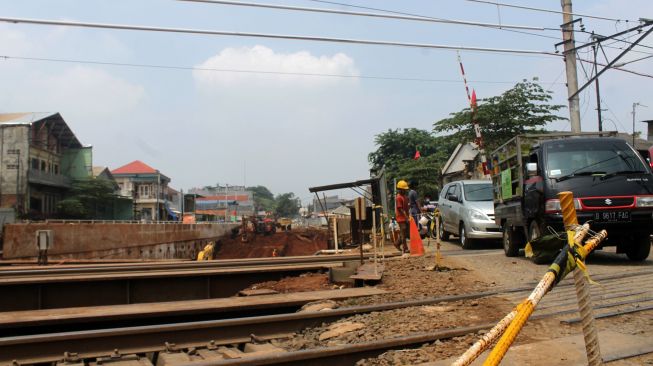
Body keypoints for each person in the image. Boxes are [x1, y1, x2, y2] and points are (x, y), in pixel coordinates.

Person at [394, 180, 410, 253]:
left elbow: (407, 207)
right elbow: (400, 209)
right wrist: (406, 217)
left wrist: (408, 216)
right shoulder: (398, 198)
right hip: (401, 218)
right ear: (400, 189)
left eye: (405, 189)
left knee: (406, 233)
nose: (405, 191)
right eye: (404, 189)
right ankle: (405, 248)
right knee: (403, 232)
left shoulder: (405, 197)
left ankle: (397, 243)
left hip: (406, 217)